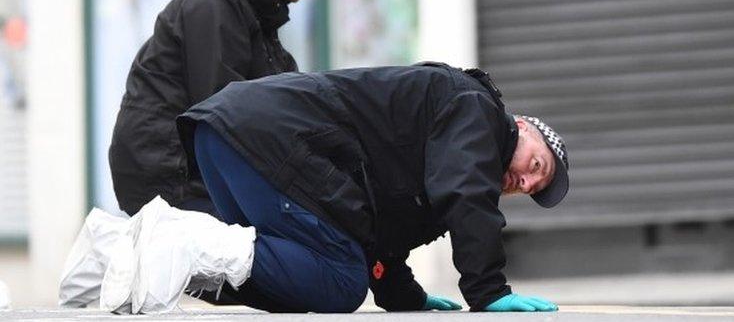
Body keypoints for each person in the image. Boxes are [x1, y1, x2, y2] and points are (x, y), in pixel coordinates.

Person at [87, 62, 570, 313]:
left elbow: (383, 225)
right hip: (265, 137)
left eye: (530, 188)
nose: (523, 180)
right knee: (340, 279)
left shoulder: (450, 146)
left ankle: (112, 254)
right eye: (535, 165)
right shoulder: (479, 113)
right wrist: (487, 291)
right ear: (522, 127)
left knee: (304, 273)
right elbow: (465, 196)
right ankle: (179, 244)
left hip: (226, 133)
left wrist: (403, 295)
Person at [108, 0, 346, 218]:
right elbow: (224, 113)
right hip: (171, 178)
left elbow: (281, 100)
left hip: (189, 172)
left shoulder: (255, 8)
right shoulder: (217, 4)